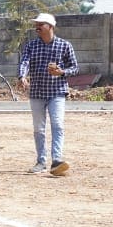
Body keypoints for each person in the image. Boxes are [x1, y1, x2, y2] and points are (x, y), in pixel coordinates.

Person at [17, 11, 79, 177]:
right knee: (39, 129)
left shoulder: (64, 45)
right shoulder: (31, 46)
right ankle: (41, 161)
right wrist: (22, 76)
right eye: (36, 24)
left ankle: (57, 160)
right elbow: (25, 62)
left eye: (40, 24)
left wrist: (61, 72)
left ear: (50, 26)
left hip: (56, 92)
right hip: (37, 92)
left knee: (58, 125)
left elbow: (75, 68)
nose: (37, 27)